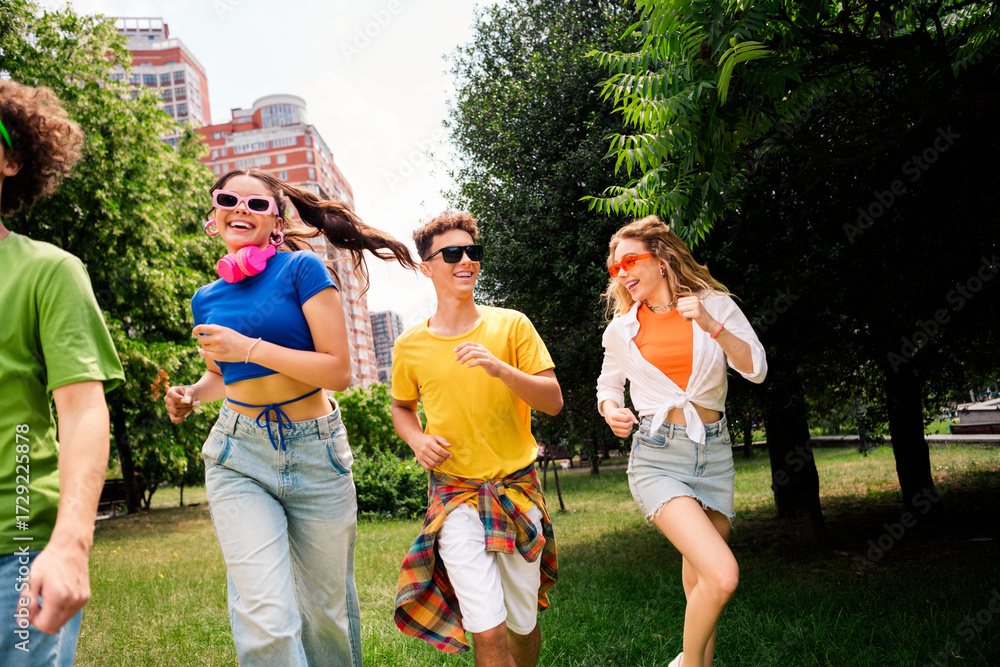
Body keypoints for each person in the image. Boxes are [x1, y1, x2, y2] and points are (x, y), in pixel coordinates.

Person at [163, 168, 417, 666]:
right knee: (264, 616)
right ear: (214, 213)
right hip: (238, 453)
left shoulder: (302, 270)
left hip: (315, 449)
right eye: (229, 199)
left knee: (325, 615)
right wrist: (191, 394)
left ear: (276, 222)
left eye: (257, 203)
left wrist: (249, 346)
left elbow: (338, 371)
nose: (241, 208)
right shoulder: (205, 298)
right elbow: (221, 375)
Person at [391, 211, 563, 666]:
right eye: (452, 253)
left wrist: (500, 369)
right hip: (456, 497)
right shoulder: (410, 345)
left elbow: (553, 400)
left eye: (473, 251)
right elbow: (402, 408)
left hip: (516, 492)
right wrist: (416, 440)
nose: (466, 260)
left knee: (522, 625)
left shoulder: (512, 325)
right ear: (427, 267)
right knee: (487, 629)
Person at [596, 215, 767, 667]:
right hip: (658, 457)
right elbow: (608, 385)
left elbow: (756, 368)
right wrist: (611, 411)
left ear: (662, 258)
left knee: (702, 585)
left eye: (630, 261)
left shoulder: (715, 305)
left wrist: (712, 325)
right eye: (616, 268)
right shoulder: (622, 329)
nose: (622, 274)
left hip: (714, 454)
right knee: (723, 575)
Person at [0, 80, 125, 666]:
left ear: (11, 161)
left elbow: (82, 411)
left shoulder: (49, 272)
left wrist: (71, 543)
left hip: (15, 553)